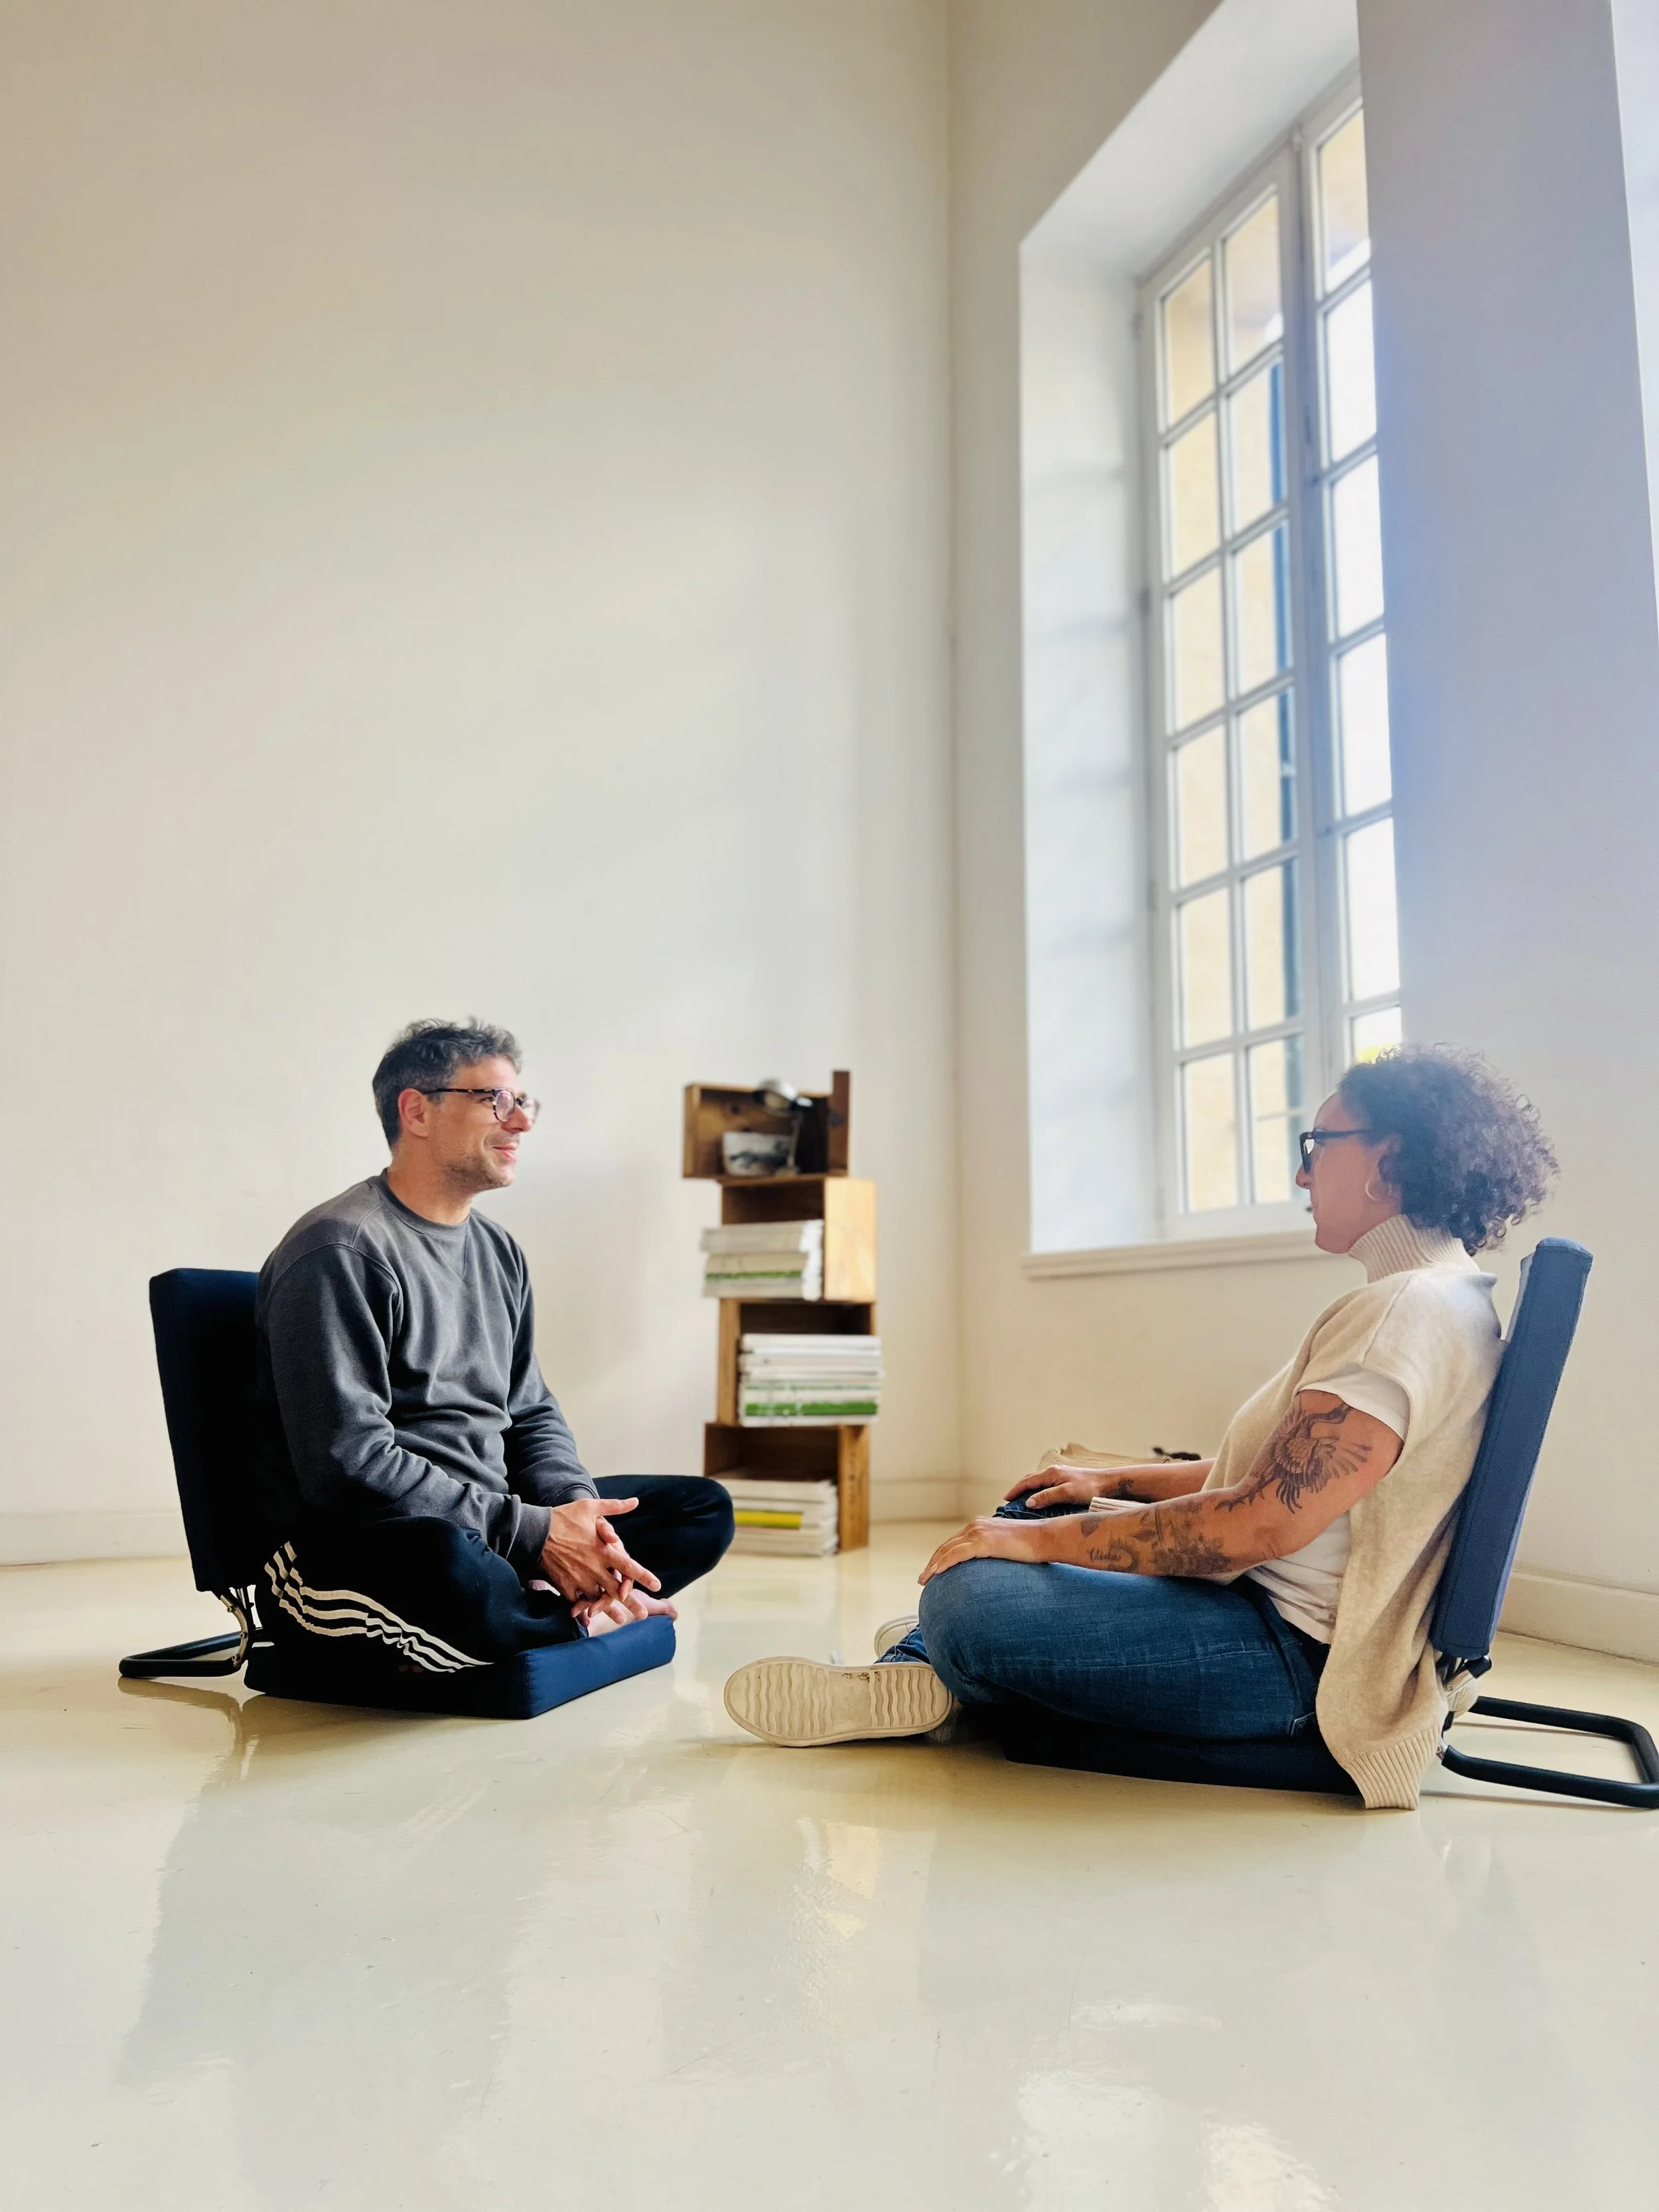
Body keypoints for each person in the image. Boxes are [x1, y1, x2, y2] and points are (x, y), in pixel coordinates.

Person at [725, 1046, 1557, 1809]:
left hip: (1288, 1664)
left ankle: (929, 1665)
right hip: (1263, 1617)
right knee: (1032, 1513)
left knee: (969, 1597)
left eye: (1317, 1145)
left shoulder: (1400, 1316)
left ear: (1390, 1157)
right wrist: (1103, 1486)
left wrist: (1039, 1548)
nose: (1303, 1175)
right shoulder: (1430, 1298)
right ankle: (926, 1670)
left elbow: (1255, 1525)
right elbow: (1266, 1476)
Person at [252, 1019, 732, 1678]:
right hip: (371, 1542)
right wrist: (532, 1537)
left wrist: (572, 1514)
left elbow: (529, 1410)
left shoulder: (497, 1250)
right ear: (416, 1110)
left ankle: (555, 1604)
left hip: (495, 1524)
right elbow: (349, 1465)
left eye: (522, 1102)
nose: (521, 1123)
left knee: (700, 1510)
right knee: (453, 1566)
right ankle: (572, 1608)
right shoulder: (342, 1251)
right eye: (493, 1101)